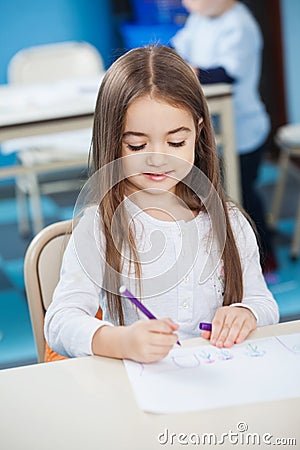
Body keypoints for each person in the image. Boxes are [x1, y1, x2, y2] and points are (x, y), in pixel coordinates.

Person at [44, 45, 279, 364]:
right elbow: (59, 322)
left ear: (198, 134)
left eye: (176, 142)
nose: (158, 157)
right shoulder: (100, 226)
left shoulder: (228, 220)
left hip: (217, 381)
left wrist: (245, 312)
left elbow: (264, 303)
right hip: (136, 391)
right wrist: (120, 341)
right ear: (112, 140)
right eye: (137, 144)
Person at [171, 0, 278, 274]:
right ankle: (226, 257)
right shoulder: (199, 19)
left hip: (243, 131)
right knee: (217, 194)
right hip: (213, 130)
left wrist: (190, 72)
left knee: (243, 196)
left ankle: (265, 256)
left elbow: (226, 73)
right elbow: (176, 49)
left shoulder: (239, 24)